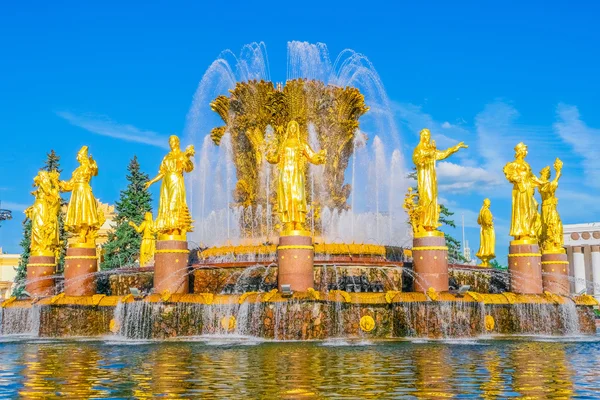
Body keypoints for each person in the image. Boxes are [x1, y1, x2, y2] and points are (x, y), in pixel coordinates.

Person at [266, 120, 326, 234]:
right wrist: (269, 158)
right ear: (288, 129)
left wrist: (320, 157)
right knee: (287, 198)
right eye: (291, 126)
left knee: (297, 198)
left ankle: (298, 222)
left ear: (297, 129)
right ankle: (288, 223)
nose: (293, 128)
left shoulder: (301, 144)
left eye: (295, 127)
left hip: (297, 174)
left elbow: (312, 156)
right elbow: (276, 158)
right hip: (285, 174)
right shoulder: (283, 144)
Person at [412, 128, 467, 233]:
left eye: (429, 135)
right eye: (426, 135)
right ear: (422, 136)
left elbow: (442, 154)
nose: (428, 137)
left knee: (432, 199)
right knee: (426, 199)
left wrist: (455, 148)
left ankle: (430, 224)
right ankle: (424, 223)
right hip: (424, 180)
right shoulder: (418, 150)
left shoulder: (431, 151)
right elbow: (417, 159)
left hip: (431, 180)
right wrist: (429, 153)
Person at [146, 135, 195, 239]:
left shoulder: (182, 155)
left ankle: (176, 228)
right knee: (166, 204)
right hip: (166, 182)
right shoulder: (167, 157)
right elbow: (162, 172)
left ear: (177, 142)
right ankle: (168, 228)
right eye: (169, 141)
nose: (170, 143)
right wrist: (151, 181)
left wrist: (187, 158)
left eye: (172, 141)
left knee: (174, 203)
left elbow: (189, 168)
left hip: (176, 180)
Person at [60, 146, 102, 245]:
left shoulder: (87, 167)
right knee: (78, 215)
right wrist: (60, 184)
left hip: (84, 191)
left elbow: (95, 171)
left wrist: (92, 162)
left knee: (85, 213)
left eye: (78, 156)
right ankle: (80, 235)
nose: (77, 158)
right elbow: (70, 184)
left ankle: (83, 235)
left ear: (83, 157)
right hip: (76, 193)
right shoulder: (77, 170)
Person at [503, 142, 543, 241]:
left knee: (532, 209)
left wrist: (542, 182)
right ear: (520, 151)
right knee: (523, 209)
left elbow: (532, 176)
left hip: (528, 189)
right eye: (525, 150)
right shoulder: (514, 164)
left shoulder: (526, 164)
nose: (526, 152)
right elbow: (509, 175)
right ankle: (522, 232)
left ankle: (528, 229)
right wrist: (516, 178)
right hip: (520, 189)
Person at [538, 158, 564, 252]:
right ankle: (550, 243)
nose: (548, 174)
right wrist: (557, 174)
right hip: (547, 207)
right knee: (550, 224)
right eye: (547, 173)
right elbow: (550, 188)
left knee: (556, 224)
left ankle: (554, 243)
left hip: (550, 206)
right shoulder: (542, 183)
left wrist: (558, 174)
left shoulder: (544, 183)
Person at [476, 198, 496, 267]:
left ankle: (484, 260)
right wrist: (491, 222)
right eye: (489, 203)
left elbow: (478, 221)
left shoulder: (481, 211)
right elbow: (487, 221)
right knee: (487, 244)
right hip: (488, 230)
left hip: (483, 230)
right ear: (487, 203)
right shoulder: (486, 211)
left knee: (484, 244)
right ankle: (486, 259)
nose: (489, 205)